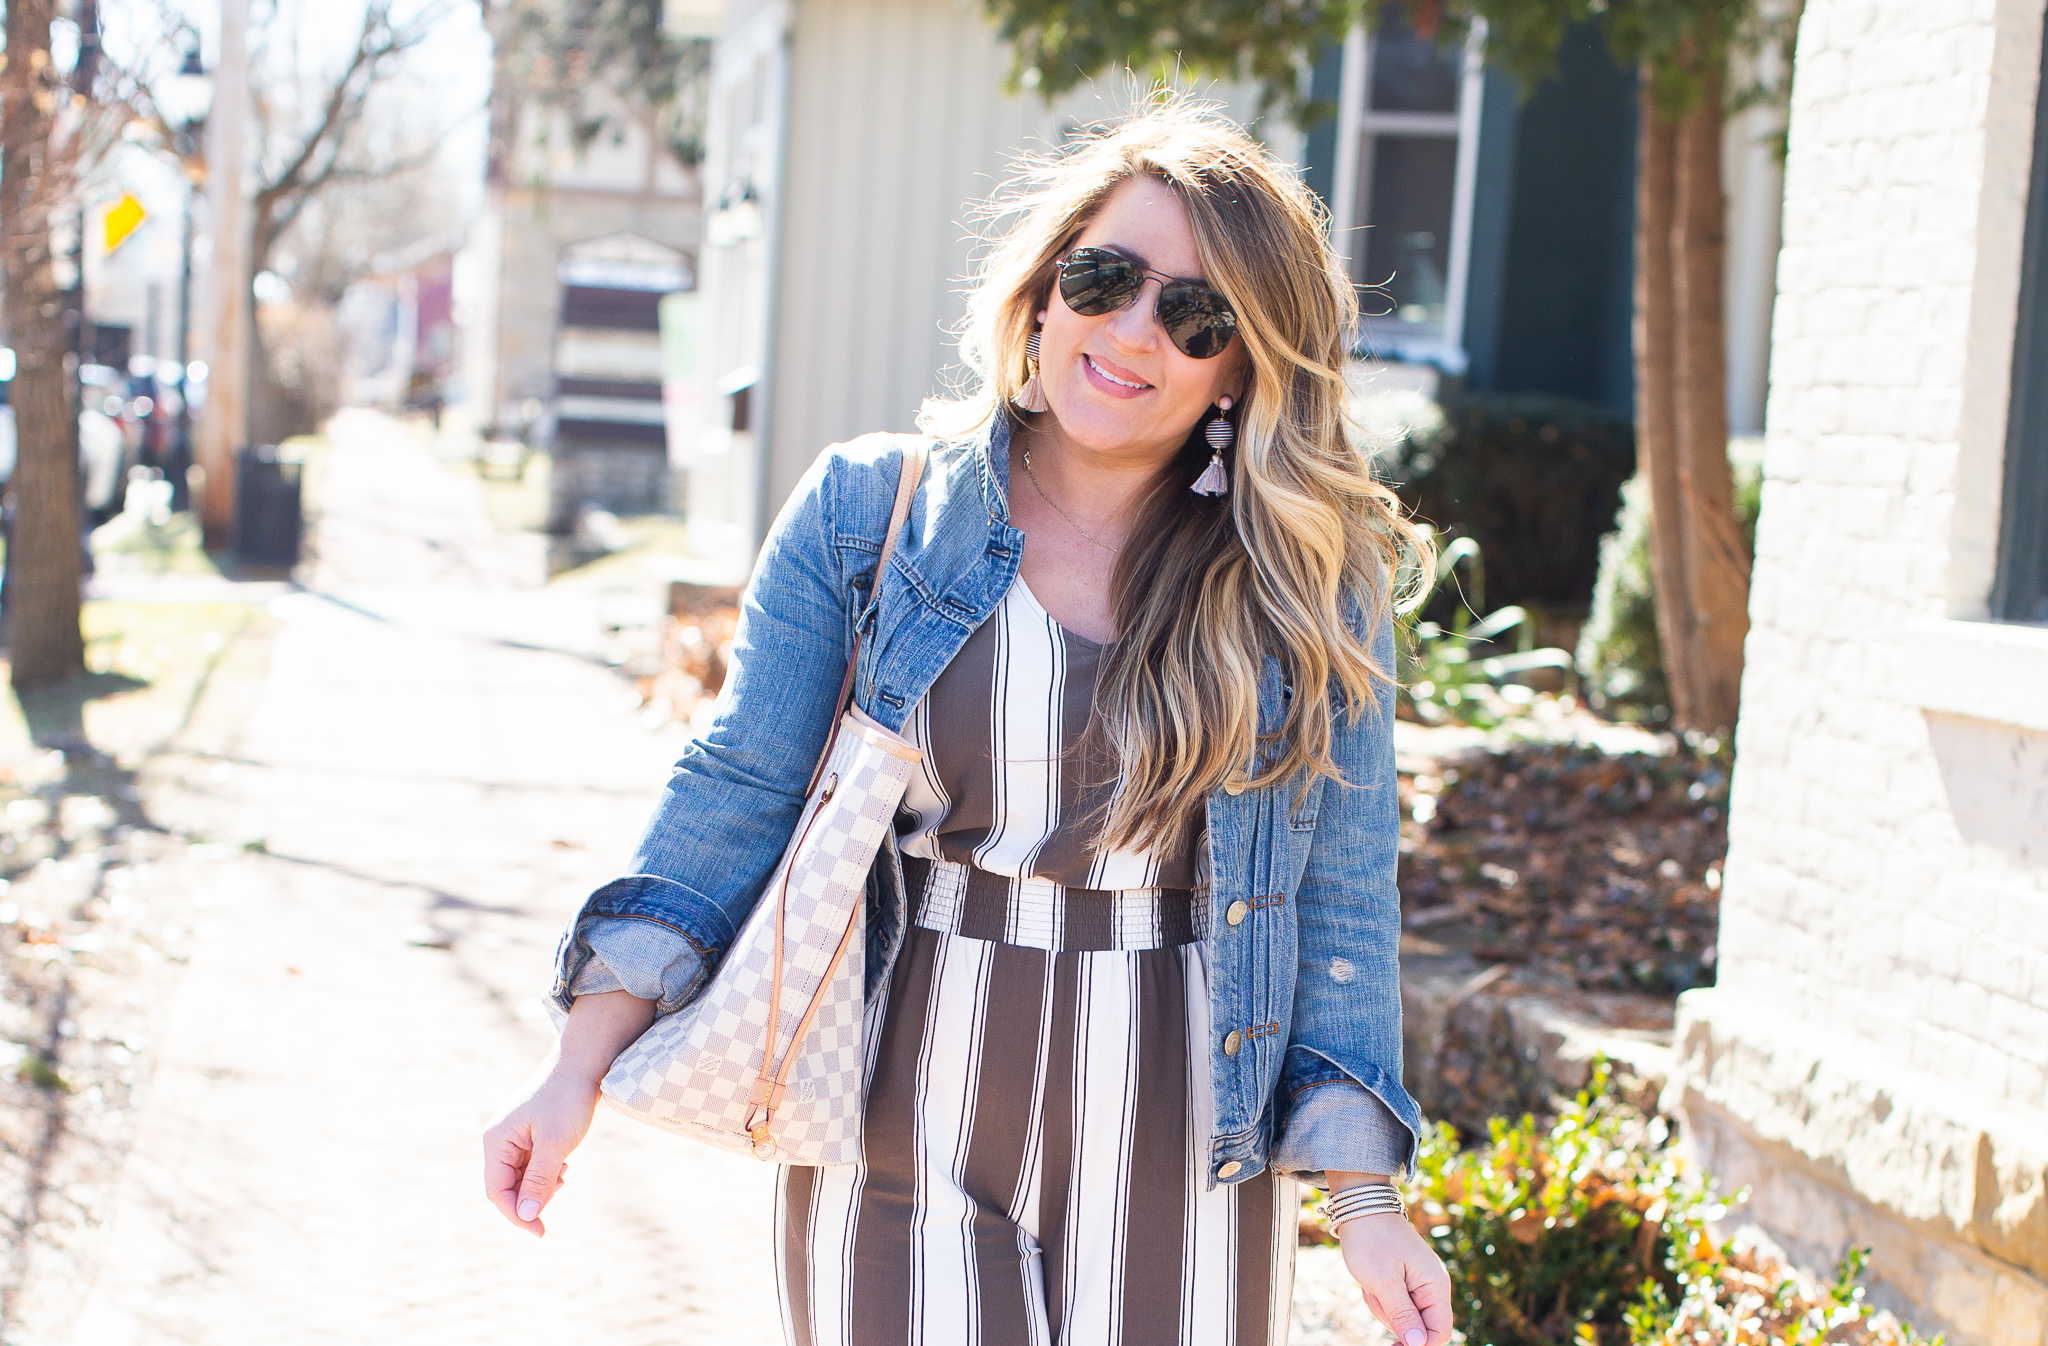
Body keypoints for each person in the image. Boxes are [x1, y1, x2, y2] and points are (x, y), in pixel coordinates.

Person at [485, 100, 1454, 1346]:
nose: (1130, 329)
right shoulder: (865, 515)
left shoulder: (1304, 583)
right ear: (1044, 289)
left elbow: (1338, 896)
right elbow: (733, 796)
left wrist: (1363, 1198)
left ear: (1242, 366)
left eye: (1193, 314)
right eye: (1104, 277)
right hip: (901, 1102)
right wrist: (575, 1069)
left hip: (1183, 1139)